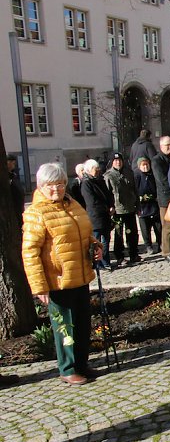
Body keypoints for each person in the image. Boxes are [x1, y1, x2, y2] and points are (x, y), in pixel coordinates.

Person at [21, 163, 103, 385]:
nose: (56, 189)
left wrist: (95, 246)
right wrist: (39, 287)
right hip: (58, 279)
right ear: (41, 186)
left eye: (60, 184)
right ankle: (67, 368)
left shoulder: (72, 204)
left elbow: (84, 233)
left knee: (82, 322)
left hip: (80, 274)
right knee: (64, 325)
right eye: (50, 185)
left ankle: (81, 363)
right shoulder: (36, 213)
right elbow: (30, 252)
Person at [104, 153, 140, 265]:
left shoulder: (129, 173)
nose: (118, 162)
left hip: (130, 208)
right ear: (112, 162)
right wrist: (110, 207)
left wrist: (137, 205)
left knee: (132, 233)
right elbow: (107, 194)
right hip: (117, 210)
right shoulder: (108, 176)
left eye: (119, 160)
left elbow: (135, 190)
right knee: (119, 234)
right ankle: (119, 256)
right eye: (115, 161)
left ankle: (134, 254)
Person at [80, 159, 115, 270]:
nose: (98, 171)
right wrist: (105, 208)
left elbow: (108, 194)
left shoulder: (100, 180)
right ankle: (97, 263)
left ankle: (106, 261)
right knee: (96, 240)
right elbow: (91, 201)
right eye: (96, 169)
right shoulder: (86, 183)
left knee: (106, 240)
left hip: (105, 215)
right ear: (89, 170)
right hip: (95, 216)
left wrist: (111, 205)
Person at [152, 135, 170, 262]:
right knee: (167, 226)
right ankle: (166, 252)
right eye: (167, 145)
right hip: (165, 197)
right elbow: (162, 179)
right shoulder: (157, 160)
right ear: (161, 146)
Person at [134, 157, 161, 255]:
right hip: (142, 207)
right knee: (145, 229)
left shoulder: (152, 175)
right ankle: (148, 245)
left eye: (146, 164)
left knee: (158, 227)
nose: (145, 167)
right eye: (143, 165)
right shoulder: (137, 176)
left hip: (153, 205)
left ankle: (160, 244)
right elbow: (134, 190)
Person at [7, 154, 25, 227]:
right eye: (12, 162)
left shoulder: (13, 175)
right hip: (13, 206)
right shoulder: (8, 176)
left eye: (14, 163)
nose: (13, 165)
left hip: (18, 206)